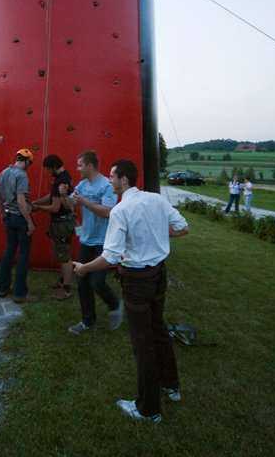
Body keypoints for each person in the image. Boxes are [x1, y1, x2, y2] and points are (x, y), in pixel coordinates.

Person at [73, 159, 189, 423]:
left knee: (143, 343)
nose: (110, 180)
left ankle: (148, 409)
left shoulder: (120, 210)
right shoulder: (156, 200)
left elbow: (110, 257)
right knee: (158, 329)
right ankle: (171, 387)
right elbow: (183, 228)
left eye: (113, 176)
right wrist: (154, 234)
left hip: (138, 280)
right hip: (159, 274)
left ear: (124, 180)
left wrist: (84, 269)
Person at [64, 150, 123, 334]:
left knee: (97, 282)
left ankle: (115, 305)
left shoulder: (106, 185)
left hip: (104, 242)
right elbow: (71, 205)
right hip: (87, 240)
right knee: (82, 281)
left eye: (80, 165)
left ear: (90, 166)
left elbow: (107, 211)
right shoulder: (82, 185)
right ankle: (87, 321)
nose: (77, 168)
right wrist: (67, 197)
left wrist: (84, 201)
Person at [32, 154, 75, 299]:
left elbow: (55, 207)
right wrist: (37, 202)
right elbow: (52, 196)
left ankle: (67, 290)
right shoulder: (64, 176)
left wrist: (38, 207)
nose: (47, 172)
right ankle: (63, 281)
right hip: (66, 221)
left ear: (54, 167)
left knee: (64, 257)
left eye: (48, 169)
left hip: (61, 223)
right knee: (63, 253)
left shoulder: (60, 181)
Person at [0, 149, 36, 303]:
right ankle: (20, 293)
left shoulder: (4, 172)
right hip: (20, 219)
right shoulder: (22, 175)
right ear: (26, 161)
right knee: (23, 255)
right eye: (30, 164)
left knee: (9, 251)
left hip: (8, 217)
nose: (29, 167)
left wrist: (2, 213)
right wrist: (30, 222)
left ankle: (3, 288)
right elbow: (21, 201)